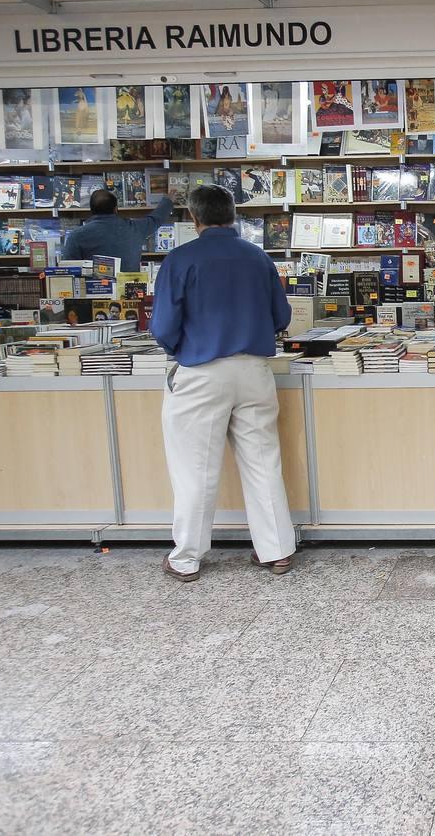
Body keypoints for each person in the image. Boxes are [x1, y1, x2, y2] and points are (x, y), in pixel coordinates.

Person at [151, 185, 296, 582]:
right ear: (234, 214)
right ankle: (277, 550)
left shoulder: (180, 259)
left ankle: (186, 558)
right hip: (254, 369)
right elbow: (281, 316)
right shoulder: (258, 257)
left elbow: (163, 327)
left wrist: (178, 345)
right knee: (263, 461)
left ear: (193, 219)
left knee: (195, 467)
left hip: (200, 370)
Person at [61, 189, 172, 273]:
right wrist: (167, 200)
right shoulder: (135, 228)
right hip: (130, 293)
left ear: (91, 210)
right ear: (116, 209)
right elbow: (156, 218)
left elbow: (69, 270)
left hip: (93, 294)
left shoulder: (76, 236)